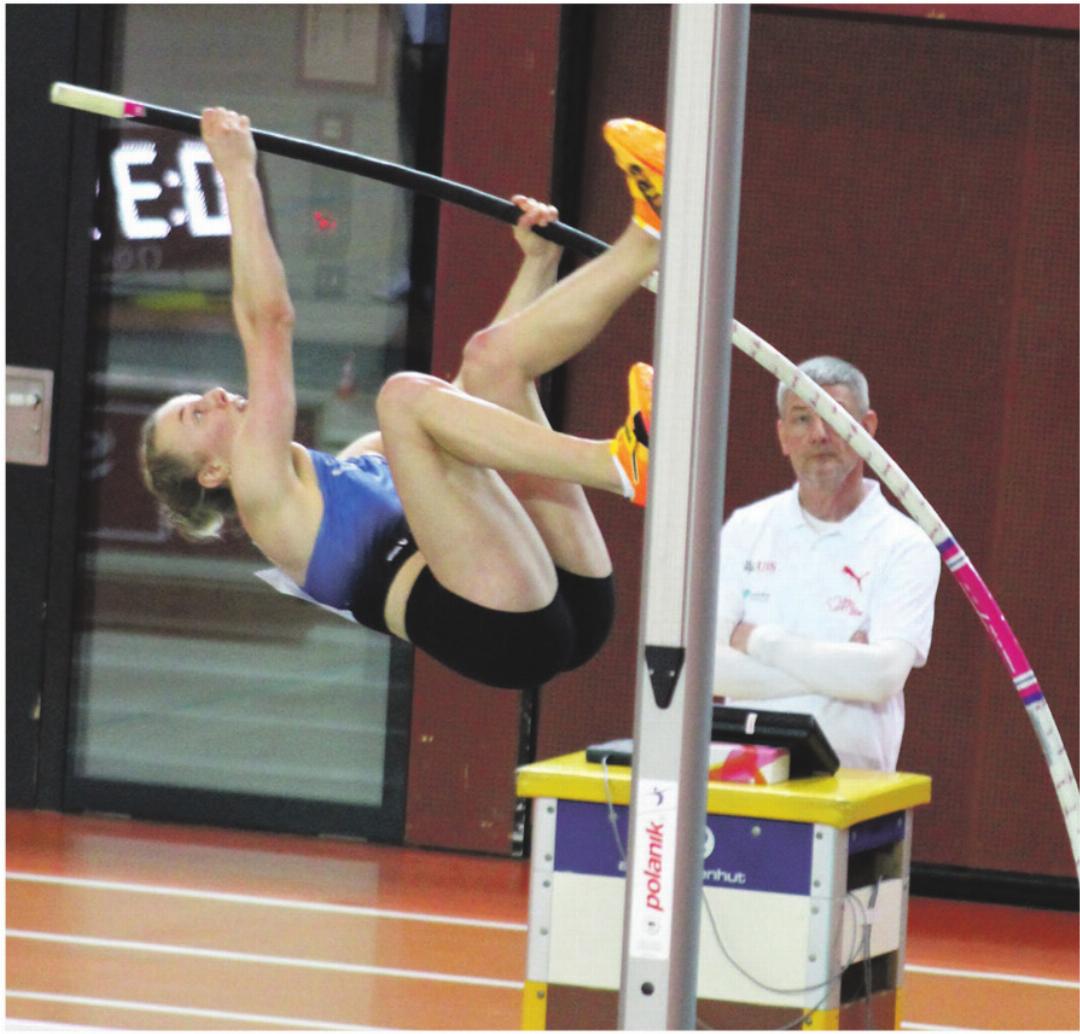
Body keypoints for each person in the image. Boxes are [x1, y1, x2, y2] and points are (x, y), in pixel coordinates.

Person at [138, 108, 666, 690]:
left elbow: (474, 409)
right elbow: (268, 322)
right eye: (196, 414)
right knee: (403, 397)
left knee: (487, 363)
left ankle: (649, 236)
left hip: (566, 599)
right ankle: (615, 463)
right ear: (213, 471)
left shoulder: (367, 457)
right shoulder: (264, 503)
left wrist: (537, 265)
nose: (215, 395)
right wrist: (236, 172)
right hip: (504, 631)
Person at [714, 357, 941, 771]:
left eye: (834, 417)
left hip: (851, 793)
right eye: (802, 419)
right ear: (783, 436)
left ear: (868, 430)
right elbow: (705, 669)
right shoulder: (745, 529)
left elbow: (882, 677)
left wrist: (762, 642)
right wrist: (841, 675)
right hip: (740, 782)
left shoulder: (906, 545)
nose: (819, 434)